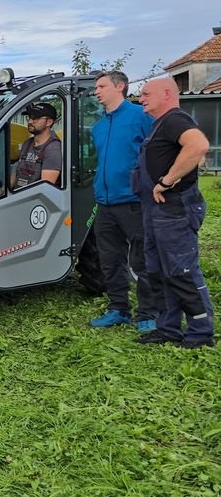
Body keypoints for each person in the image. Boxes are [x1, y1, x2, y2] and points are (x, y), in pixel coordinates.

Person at [132, 78, 214, 348]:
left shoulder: (174, 120)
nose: (141, 97)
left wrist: (167, 180)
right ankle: (167, 329)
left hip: (174, 210)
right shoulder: (160, 125)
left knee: (182, 271)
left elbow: (198, 145)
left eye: (146, 93)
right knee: (158, 270)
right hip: (156, 211)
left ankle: (200, 334)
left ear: (167, 94)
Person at [88, 71, 158, 333]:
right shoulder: (99, 126)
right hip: (104, 204)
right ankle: (118, 309)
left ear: (120, 87)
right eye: (96, 87)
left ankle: (148, 314)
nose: (96, 91)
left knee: (141, 261)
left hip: (134, 202)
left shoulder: (141, 117)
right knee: (109, 259)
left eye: (101, 86)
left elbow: (159, 151)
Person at [11, 102, 62, 188]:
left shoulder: (53, 149)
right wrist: (3, 190)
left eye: (35, 118)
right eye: (30, 117)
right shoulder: (27, 143)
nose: (30, 121)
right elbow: (17, 172)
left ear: (49, 122)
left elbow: (45, 189)